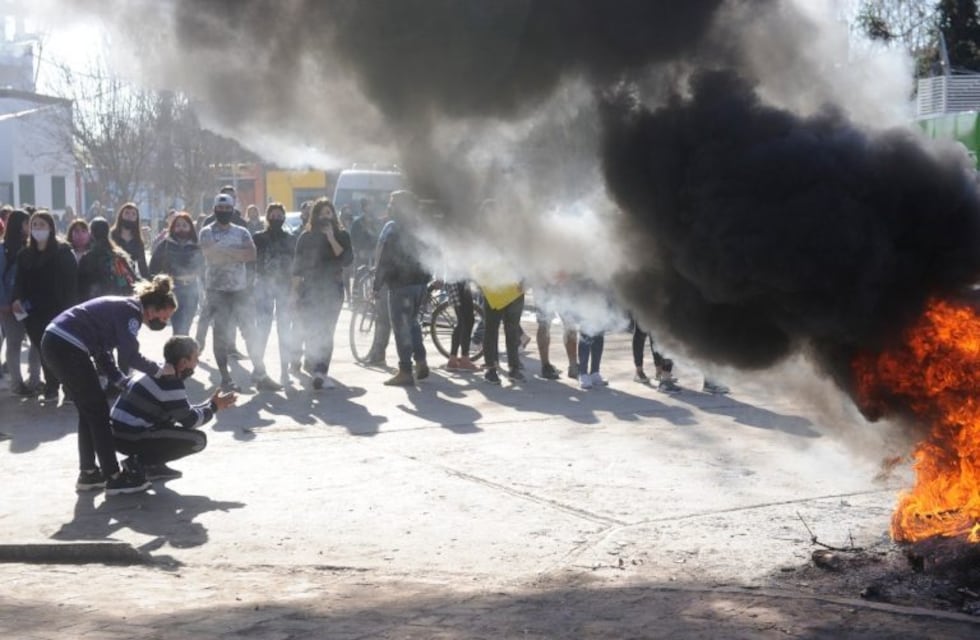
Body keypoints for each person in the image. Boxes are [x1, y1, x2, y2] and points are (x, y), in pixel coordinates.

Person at [40, 274, 178, 495]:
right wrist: (159, 370)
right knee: (98, 412)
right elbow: (130, 354)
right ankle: (114, 477)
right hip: (67, 346)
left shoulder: (125, 308)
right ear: (154, 308)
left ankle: (89, 473)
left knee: (89, 411)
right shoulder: (131, 313)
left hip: (57, 342)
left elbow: (103, 353)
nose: (164, 321)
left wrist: (120, 380)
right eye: (165, 316)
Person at [110, 335, 237, 480]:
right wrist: (214, 407)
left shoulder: (156, 369)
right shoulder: (170, 381)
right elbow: (190, 421)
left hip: (117, 434)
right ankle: (139, 464)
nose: (197, 363)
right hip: (130, 437)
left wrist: (209, 404)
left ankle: (153, 465)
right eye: (195, 358)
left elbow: (182, 411)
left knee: (170, 422)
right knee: (197, 440)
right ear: (183, 362)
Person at [200, 193, 278, 392]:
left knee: (250, 332)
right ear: (214, 209)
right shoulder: (206, 231)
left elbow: (251, 255)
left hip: (240, 290)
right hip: (216, 291)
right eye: (220, 208)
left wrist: (224, 251)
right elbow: (211, 255)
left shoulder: (242, 232)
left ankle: (260, 374)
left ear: (233, 210)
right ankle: (225, 378)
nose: (224, 212)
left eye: (228, 209)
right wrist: (236, 254)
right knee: (220, 334)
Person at [11, 211, 78, 403]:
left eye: (42, 225)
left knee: (61, 352)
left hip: (59, 311)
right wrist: (17, 298)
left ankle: (69, 388)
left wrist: (70, 311)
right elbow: (19, 281)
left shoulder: (63, 252)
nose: (38, 229)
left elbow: (71, 285)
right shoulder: (25, 254)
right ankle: (51, 387)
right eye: (35, 225)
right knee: (44, 351)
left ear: (51, 227)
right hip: (33, 313)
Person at [291, 198, 352, 389]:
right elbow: (297, 268)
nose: (326, 217)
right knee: (311, 330)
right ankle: (313, 362)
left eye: (329, 213)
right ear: (314, 216)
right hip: (309, 290)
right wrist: (293, 294)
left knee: (326, 331)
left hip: (332, 289)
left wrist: (332, 238)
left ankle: (321, 371)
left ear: (333, 215)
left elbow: (347, 260)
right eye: (322, 213)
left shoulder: (342, 235)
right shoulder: (306, 237)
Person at [373, 191, 429, 386]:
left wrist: (376, 284)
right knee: (413, 323)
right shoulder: (420, 227)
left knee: (401, 328)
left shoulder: (394, 229)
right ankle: (420, 360)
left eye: (392, 203)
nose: (389, 206)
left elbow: (385, 259)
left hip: (401, 285)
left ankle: (405, 370)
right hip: (420, 284)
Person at [253, 203, 297, 384]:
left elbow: (296, 265)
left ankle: (284, 371)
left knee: (284, 330)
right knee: (262, 328)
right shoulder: (258, 238)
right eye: (273, 215)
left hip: (285, 288)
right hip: (263, 286)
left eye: (280, 215)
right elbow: (251, 262)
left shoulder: (290, 239)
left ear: (284, 218)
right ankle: (258, 368)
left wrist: (295, 290)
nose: (277, 218)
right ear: (267, 217)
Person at [0, 209, 41, 395]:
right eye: (27, 223)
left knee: (36, 343)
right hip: (9, 306)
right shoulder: (3, 249)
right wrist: (4, 303)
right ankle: (17, 384)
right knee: (14, 343)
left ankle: (34, 380)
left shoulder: (33, 248)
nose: (30, 227)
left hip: (30, 305)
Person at [149, 212, 205, 336]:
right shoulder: (165, 245)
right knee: (178, 325)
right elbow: (153, 268)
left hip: (192, 289)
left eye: (184, 225)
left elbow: (204, 268)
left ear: (190, 227)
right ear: (173, 227)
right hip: (174, 289)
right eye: (178, 225)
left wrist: (207, 288)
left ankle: (183, 351)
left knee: (187, 324)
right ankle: (179, 352)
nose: (181, 228)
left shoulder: (196, 246)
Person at [77, 218, 138, 301]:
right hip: (120, 302)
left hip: (96, 305)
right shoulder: (119, 256)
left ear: (92, 234)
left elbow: (81, 288)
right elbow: (132, 281)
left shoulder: (87, 258)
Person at [110, 203, 149, 280]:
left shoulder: (138, 242)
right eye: (127, 213)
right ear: (121, 215)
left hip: (130, 280)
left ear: (137, 218)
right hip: (111, 278)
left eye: (133, 214)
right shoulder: (111, 236)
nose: (130, 216)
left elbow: (143, 267)